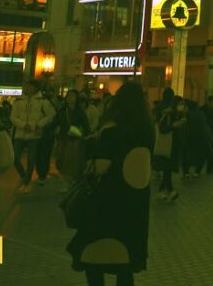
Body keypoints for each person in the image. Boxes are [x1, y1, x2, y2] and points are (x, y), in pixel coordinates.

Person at [67, 82, 153, 286]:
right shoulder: (147, 129)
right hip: (135, 205)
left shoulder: (111, 131)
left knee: (94, 256)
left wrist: (91, 145)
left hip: (107, 202)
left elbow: (100, 166)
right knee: (125, 262)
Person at [11, 80, 57, 192]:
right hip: (20, 134)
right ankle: (24, 177)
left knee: (31, 160)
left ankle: (26, 182)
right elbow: (13, 117)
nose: (28, 88)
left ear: (36, 88)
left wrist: (38, 124)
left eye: (30, 86)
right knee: (15, 158)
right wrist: (23, 125)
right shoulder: (18, 101)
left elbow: (51, 114)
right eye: (26, 86)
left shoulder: (42, 101)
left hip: (35, 135)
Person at [56, 90, 91, 186]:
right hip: (63, 137)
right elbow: (56, 122)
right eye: (68, 96)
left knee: (72, 160)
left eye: (72, 96)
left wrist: (87, 135)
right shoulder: (62, 111)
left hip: (75, 138)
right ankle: (67, 178)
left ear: (76, 99)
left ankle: (69, 180)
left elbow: (86, 125)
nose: (70, 98)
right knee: (60, 158)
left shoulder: (80, 111)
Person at [154, 90, 183, 201]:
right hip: (170, 142)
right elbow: (164, 128)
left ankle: (166, 191)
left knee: (167, 168)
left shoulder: (159, 107)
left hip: (164, 142)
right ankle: (169, 191)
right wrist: (175, 125)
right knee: (168, 167)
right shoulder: (167, 110)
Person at [179, 97, 212, 178]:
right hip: (202, 138)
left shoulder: (188, 114)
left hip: (191, 138)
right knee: (200, 155)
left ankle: (186, 172)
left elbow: (186, 127)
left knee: (187, 155)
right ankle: (197, 172)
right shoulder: (201, 113)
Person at [202, 95, 213, 174]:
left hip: (212, 133)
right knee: (204, 151)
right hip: (206, 133)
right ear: (209, 102)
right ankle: (199, 169)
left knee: (212, 152)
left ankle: (210, 168)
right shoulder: (203, 110)